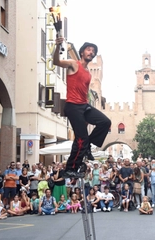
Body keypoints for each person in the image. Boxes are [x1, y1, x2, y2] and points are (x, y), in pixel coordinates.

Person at [53, 38, 111, 178]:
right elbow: (57, 62)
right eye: (89, 50)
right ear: (82, 52)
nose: (91, 52)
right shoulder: (74, 64)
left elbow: (84, 92)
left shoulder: (88, 73)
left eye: (94, 51)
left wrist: (86, 114)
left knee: (105, 122)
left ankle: (88, 145)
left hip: (84, 105)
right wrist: (56, 47)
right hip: (73, 106)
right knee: (80, 138)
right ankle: (71, 168)